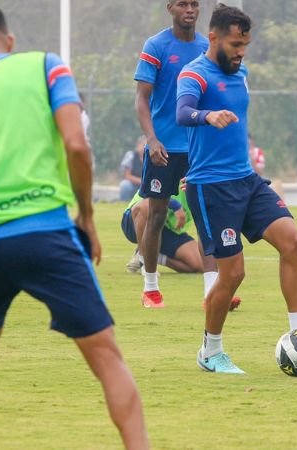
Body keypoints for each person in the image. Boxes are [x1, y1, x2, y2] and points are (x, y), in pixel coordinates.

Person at [0, 4, 148, 449]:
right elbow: (77, 145)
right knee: (106, 357)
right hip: (47, 235)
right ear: (10, 41)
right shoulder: (47, 67)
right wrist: (88, 217)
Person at [175, 4, 297, 374]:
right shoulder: (194, 74)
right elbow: (182, 113)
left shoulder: (241, 71)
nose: (241, 51)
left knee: (293, 241)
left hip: (247, 180)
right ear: (213, 37)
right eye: (234, 43)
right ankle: (210, 351)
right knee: (232, 274)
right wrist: (206, 116)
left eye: (245, 44)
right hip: (211, 186)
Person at [134, 0, 213, 308]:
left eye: (194, 4)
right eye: (183, 4)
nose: (190, 9)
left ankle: (213, 291)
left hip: (199, 147)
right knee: (155, 217)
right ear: (170, 8)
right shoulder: (156, 46)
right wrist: (151, 139)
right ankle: (151, 287)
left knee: (209, 217)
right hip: (164, 149)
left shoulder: (208, 47)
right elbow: (142, 99)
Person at [122, 184, 202, 276]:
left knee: (199, 264)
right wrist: (175, 205)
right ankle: (145, 261)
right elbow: (149, 192)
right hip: (135, 220)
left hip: (167, 228)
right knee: (146, 205)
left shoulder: (200, 176)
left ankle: (155, 256)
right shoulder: (164, 169)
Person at [119, 135, 145, 201]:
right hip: (133, 185)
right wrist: (141, 181)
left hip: (147, 186)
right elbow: (126, 175)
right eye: (143, 145)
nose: (145, 148)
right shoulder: (131, 156)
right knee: (125, 185)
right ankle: (124, 202)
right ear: (138, 146)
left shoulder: (153, 158)